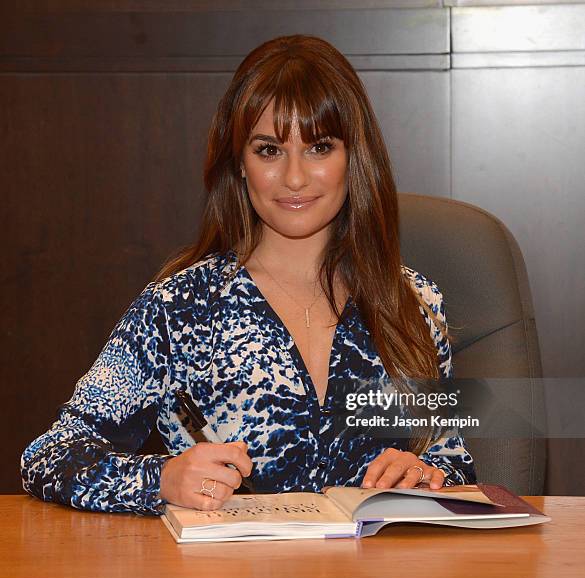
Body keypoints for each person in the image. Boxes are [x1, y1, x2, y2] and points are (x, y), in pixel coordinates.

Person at [21, 34, 476, 515]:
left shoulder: (411, 302)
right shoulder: (180, 308)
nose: (295, 178)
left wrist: (429, 475)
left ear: (353, 158)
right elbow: (50, 456)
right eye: (269, 150)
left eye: (320, 147)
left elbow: (454, 461)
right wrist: (161, 479)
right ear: (239, 163)